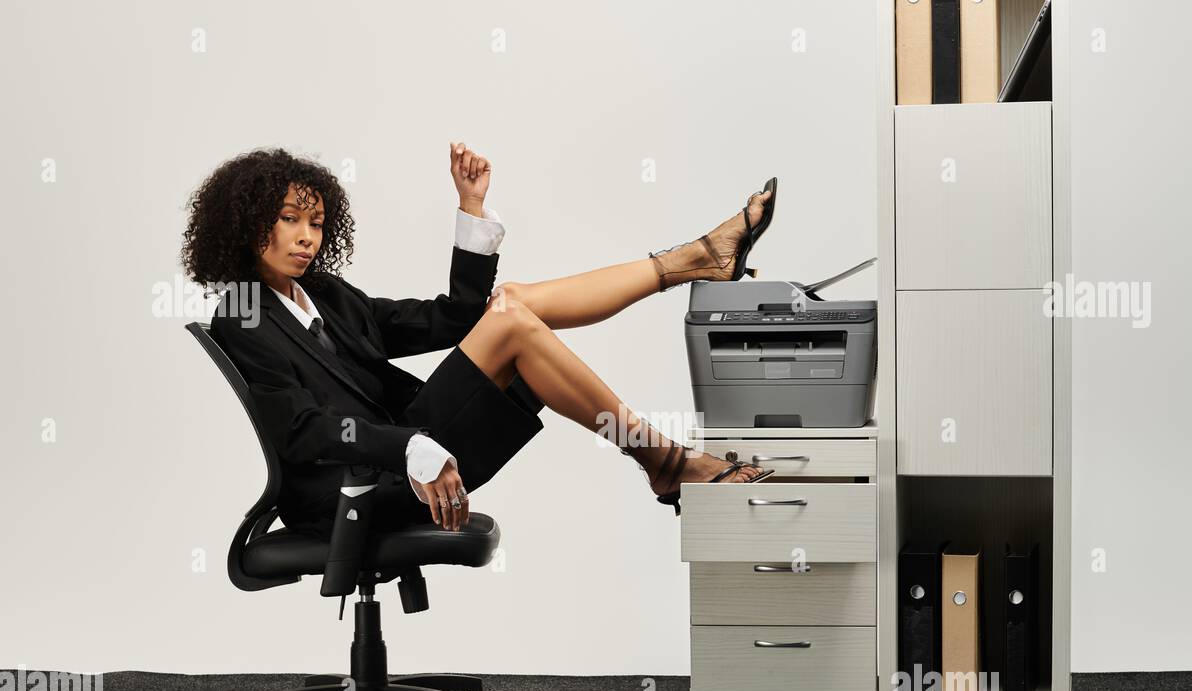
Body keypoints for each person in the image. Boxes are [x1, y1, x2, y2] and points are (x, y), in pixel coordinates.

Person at [180, 143, 775, 539]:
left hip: (412, 459)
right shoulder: (242, 315)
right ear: (249, 222)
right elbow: (302, 430)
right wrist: (411, 446)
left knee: (510, 304)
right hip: (353, 491)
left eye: (316, 222)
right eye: (290, 219)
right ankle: (666, 456)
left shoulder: (330, 297)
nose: (307, 237)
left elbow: (456, 319)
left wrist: (470, 209)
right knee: (513, 320)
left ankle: (694, 263)